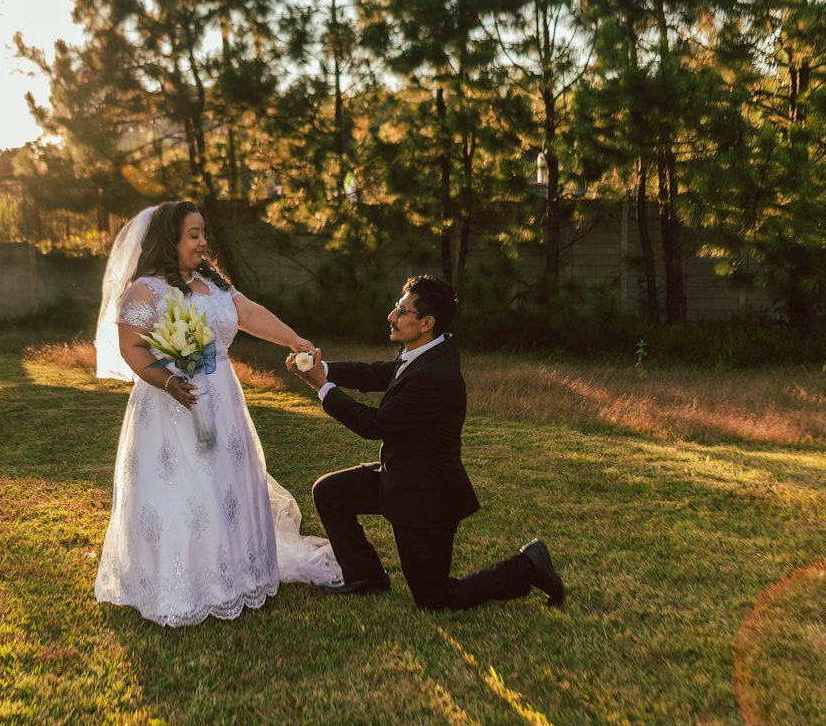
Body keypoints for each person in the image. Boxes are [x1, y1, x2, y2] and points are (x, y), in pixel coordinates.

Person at [94, 201, 339, 627]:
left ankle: (235, 575)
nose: (203, 242)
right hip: (170, 406)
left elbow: (250, 315)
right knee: (184, 491)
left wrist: (294, 339)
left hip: (223, 401)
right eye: (194, 234)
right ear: (170, 239)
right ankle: (180, 586)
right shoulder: (145, 290)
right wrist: (167, 380)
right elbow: (132, 347)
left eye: (203, 233)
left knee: (226, 484)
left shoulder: (214, 283)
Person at [286, 274, 565, 611]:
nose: (392, 316)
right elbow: (375, 373)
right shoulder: (426, 354)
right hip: (400, 475)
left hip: (426, 496)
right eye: (396, 308)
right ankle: (364, 575)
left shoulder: (434, 377)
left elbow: (374, 425)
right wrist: (322, 368)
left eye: (402, 311)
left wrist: (321, 387)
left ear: (426, 322)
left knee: (434, 599)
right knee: (329, 491)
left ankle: (529, 565)